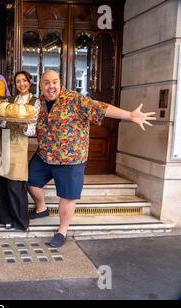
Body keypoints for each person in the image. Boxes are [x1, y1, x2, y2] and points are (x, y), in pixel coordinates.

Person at [28, 70, 156, 247]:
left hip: (71, 157)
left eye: (55, 82)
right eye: (47, 82)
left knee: (67, 196)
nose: (51, 86)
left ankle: (62, 230)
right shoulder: (38, 103)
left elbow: (101, 108)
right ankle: (41, 208)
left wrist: (129, 115)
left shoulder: (75, 99)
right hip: (45, 154)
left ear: (60, 83)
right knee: (29, 179)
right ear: (40, 85)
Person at [0, 71, 40, 231]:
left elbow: (33, 130)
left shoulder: (35, 102)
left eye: (24, 81)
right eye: (18, 81)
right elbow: (3, 123)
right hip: (3, 143)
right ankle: (5, 218)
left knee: (16, 184)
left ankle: (20, 221)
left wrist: (24, 126)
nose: (21, 84)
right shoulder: (10, 101)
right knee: (2, 182)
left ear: (30, 81)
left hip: (19, 145)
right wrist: (2, 121)